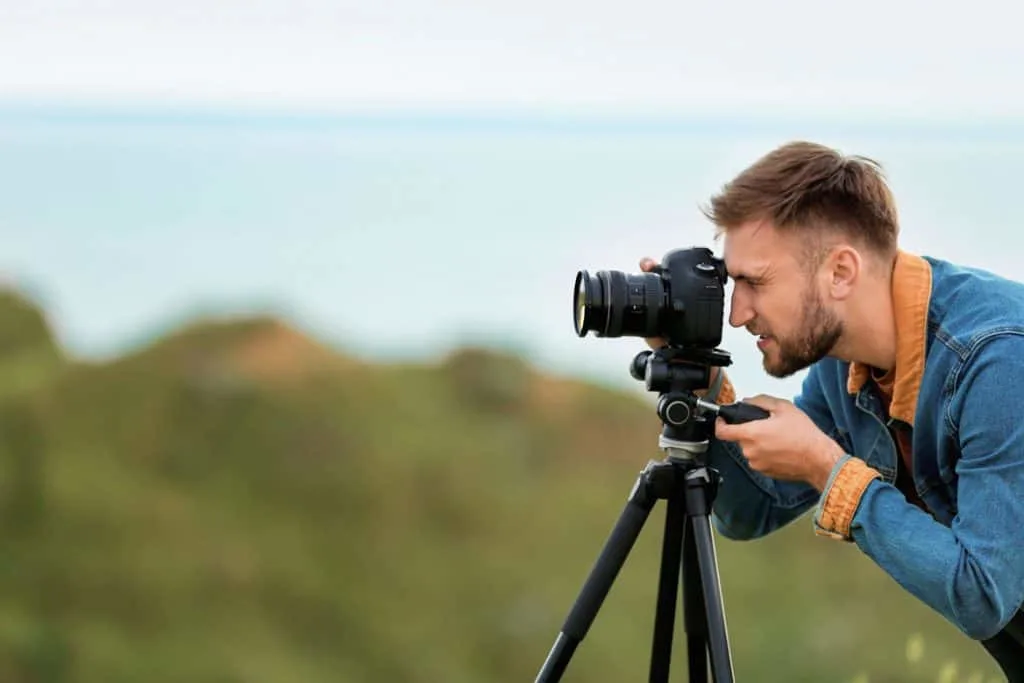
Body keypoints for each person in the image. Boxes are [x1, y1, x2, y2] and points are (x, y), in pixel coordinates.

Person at [640, 140, 1024, 680]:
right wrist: (704, 384)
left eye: (755, 281)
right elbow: (752, 511)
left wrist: (828, 469)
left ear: (841, 272)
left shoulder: (1000, 360)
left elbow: (983, 594)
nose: (737, 312)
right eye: (732, 282)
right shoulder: (844, 364)